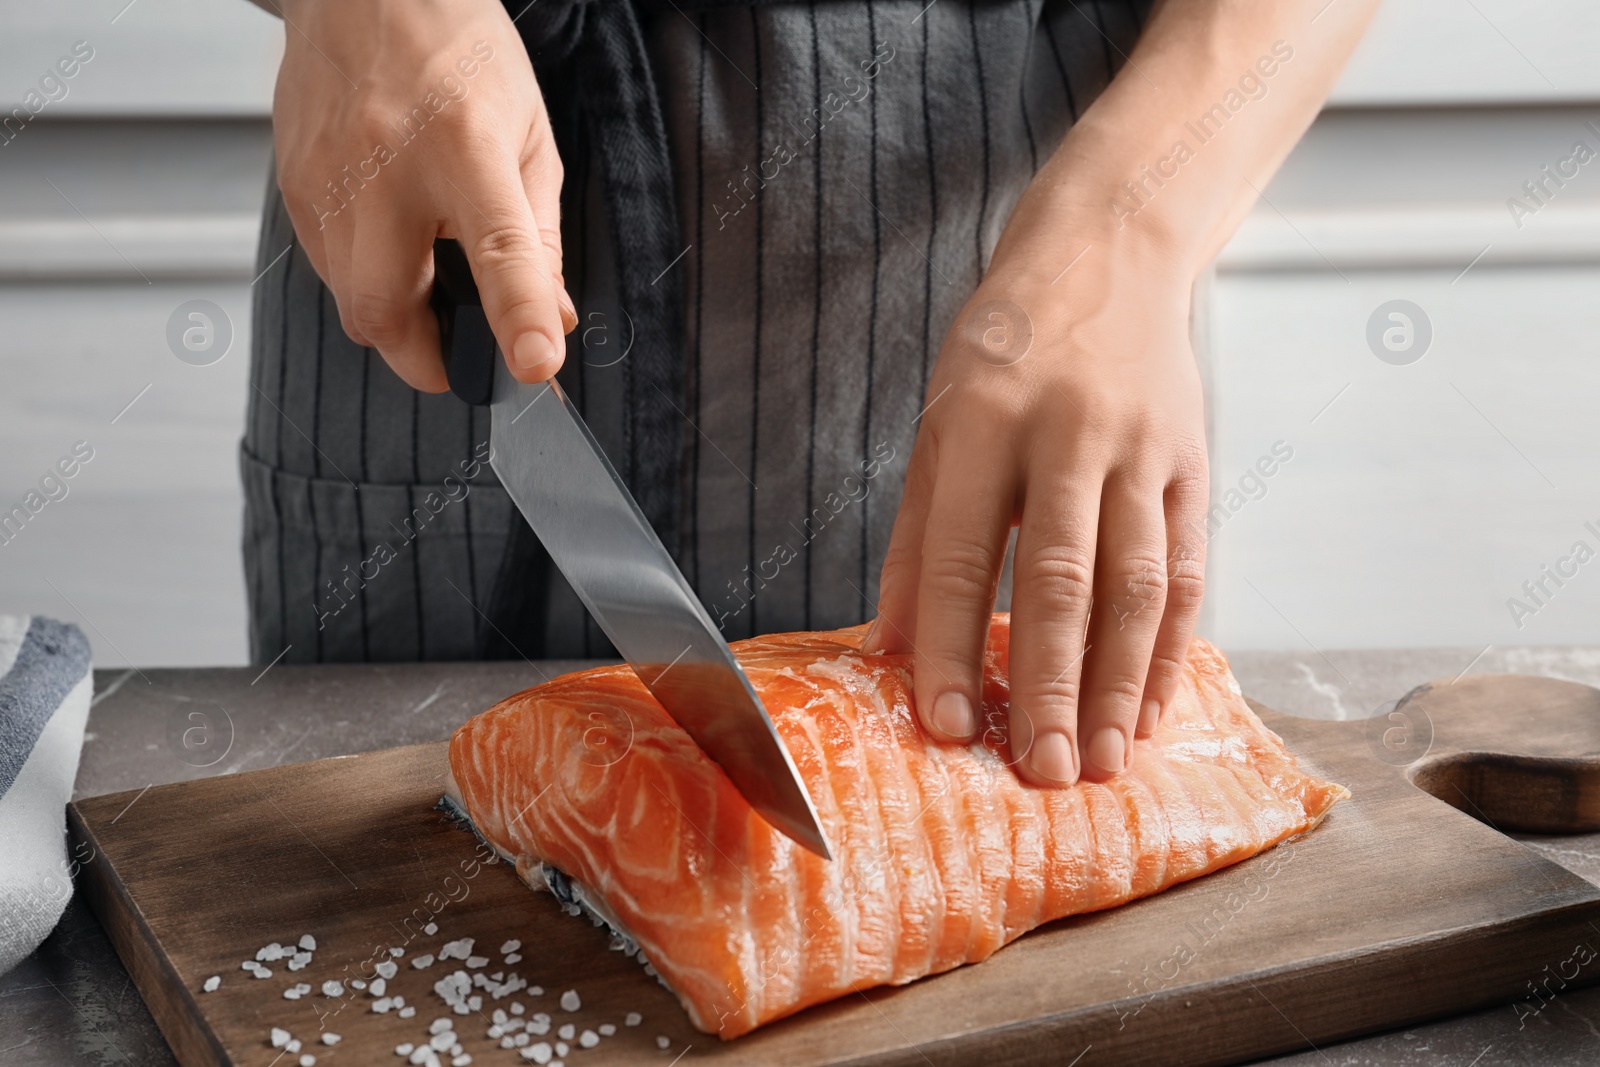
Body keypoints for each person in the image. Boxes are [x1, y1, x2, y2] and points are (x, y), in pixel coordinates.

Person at [242, 0, 1377, 788]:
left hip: (1012, 263)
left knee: (1042, 788)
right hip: (435, 201)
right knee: (369, 859)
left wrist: (1129, 233)